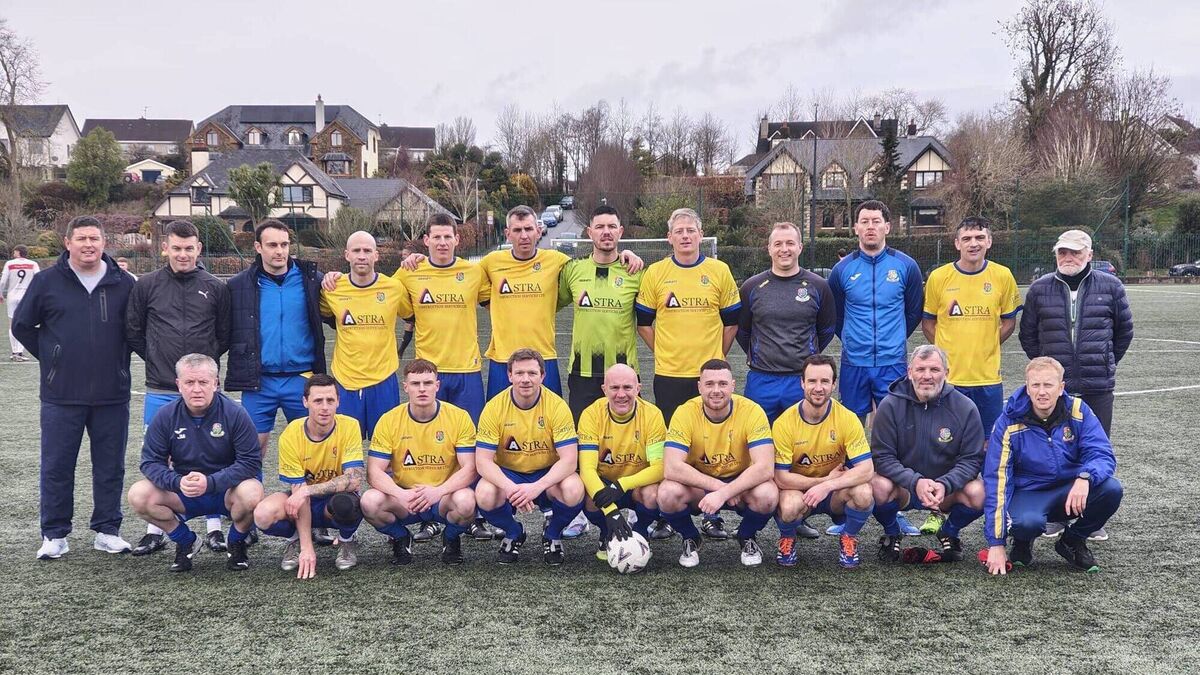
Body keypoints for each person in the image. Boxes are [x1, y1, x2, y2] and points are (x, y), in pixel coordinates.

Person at [13, 217, 135, 559]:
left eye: (94, 238)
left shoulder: (124, 283)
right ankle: (54, 534)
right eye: (81, 238)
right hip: (61, 395)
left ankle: (107, 530)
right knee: (57, 466)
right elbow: (22, 325)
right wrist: (54, 357)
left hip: (112, 393)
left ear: (104, 242)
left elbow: (137, 330)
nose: (88, 244)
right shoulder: (46, 281)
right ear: (68, 243)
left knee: (110, 466)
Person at [126, 219, 231, 555]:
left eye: (189, 248)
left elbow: (224, 334)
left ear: (198, 249)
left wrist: (202, 373)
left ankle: (214, 528)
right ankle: (155, 529)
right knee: (161, 457)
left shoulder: (215, 287)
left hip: (205, 388)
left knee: (213, 453)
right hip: (161, 387)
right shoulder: (146, 285)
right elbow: (134, 332)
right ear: (165, 248)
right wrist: (159, 359)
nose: (183, 254)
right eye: (176, 248)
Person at [635, 208, 741, 541]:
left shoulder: (719, 271)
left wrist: (716, 359)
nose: (685, 236)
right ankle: (668, 514)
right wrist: (665, 352)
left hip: (710, 380)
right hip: (669, 375)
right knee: (672, 446)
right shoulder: (656, 273)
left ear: (700, 235)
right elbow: (643, 323)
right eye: (679, 231)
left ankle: (712, 514)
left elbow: (732, 323)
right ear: (669, 237)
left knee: (711, 445)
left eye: (691, 230)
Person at [1020, 229, 1132, 541]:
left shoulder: (1111, 286)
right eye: (1063, 252)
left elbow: (1124, 332)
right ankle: (1057, 515)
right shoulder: (1039, 289)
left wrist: (1104, 361)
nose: (1068, 258)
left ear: (1089, 255)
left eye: (1075, 252)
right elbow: (1028, 335)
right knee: (1053, 451)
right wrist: (1050, 374)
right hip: (1056, 390)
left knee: (1096, 449)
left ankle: (1092, 518)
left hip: (1097, 386)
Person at [827, 200, 923, 536]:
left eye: (876, 221)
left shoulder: (906, 266)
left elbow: (913, 312)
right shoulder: (842, 271)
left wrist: (892, 341)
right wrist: (854, 341)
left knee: (896, 436)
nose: (870, 226)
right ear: (855, 228)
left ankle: (895, 511)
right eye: (864, 221)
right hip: (854, 362)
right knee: (849, 435)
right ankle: (846, 510)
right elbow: (836, 315)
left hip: (892, 363)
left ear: (887, 227)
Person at [736, 221, 835, 540]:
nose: (784, 249)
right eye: (778, 244)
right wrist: (764, 355)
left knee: (799, 451)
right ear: (769, 249)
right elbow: (743, 331)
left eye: (790, 243)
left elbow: (826, 330)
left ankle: (795, 516)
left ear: (800, 247)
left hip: (799, 383)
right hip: (762, 380)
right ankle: (750, 518)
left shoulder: (818, 286)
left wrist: (804, 361)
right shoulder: (753, 286)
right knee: (754, 450)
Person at [983, 357, 1123, 575]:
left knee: (1111, 490)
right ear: (1027, 388)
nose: (1042, 392)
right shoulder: (1008, 421)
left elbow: (1102, 454)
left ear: (1061, 387)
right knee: (1026, 523)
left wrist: (1085, 477)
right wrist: (996, 543)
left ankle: (1072, 540)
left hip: (1070, 488)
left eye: (1048, 385)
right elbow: (997, 480)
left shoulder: (1078, 410)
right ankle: (1022, 541)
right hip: (1030, 491)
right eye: (1035, 385)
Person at [126, 354, 263, 572]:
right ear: (178, 384)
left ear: (215, 384)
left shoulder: (235, 413)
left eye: (203, 382)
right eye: (189, 382)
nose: (196, 389)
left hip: (226, 492)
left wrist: (211, 482)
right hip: (184, 492)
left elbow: (251, 462)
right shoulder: (165, 415)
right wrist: (177, 482)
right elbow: (150, 462)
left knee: (253, 492)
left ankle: (236, 542)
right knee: (138, 494)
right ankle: (185, 540)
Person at [657, 359, 778, 568]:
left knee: (768, 494)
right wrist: (720, 489)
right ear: (699, 387)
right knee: (667, 493)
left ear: (733, 385)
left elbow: (765, 467)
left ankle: (746, 536)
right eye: (709, 384)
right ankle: (691, 537)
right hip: (700, 484)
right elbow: (671, 467)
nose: (716, 390)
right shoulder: (685, 412)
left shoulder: (752, 410)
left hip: (741, 482)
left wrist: (726, 492)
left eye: (722, 384)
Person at [869, 345, 986, 563]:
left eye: (934, 369)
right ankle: (892, 533)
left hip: (944, 491)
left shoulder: (965, 408)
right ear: (909, 372)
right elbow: (882, 458)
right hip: (903, 488)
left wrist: (944, 484)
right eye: (920, 369)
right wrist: (915, 482)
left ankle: (949, 532)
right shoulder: (890, 405)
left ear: (946, 373)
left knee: (980, 492)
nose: (927, 376)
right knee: (876, 486)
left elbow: (971, 460)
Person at [226, 219, 328, 458]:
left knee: (312, 448)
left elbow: (336, 315)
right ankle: (252, 485)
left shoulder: (312, 280)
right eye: (272, 245)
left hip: (302, 378)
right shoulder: (238, 285)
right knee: (252, 449)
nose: (280, 251)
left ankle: (306, 485)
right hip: (259, 381)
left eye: (284, 244)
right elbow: (225, 330)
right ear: (258, 247)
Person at [362, 359, 479, 565]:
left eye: (428, 383)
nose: (422, 389)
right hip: (406, 498)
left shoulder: (459, 417)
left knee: (467, 501)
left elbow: (470, 468)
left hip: (443, 496)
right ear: (406, 387)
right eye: (416, 384)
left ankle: (451, 537)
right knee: (369, 501)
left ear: (437, 385)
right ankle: (400, 536)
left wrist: (438, 491)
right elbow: (374, 472)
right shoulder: (389, 420)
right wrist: (401, 494)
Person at [474, 348, 584, 565]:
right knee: (484, 493)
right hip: (510, 474)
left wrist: (536, 487)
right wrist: (510, 487)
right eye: (519, 373)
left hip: (547, 473)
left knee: (574, 489)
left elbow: (569, 460)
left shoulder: (557, 406)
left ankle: (552, 534)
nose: (526, 379)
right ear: (509, 375)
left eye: (532, 373)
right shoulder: (494, 407)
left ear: (542, 376)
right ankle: (514, 531)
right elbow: (483, 461)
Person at [253, 374, 364, 578]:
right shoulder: (291, 433)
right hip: (304, 499)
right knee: (263, 514)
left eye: (330, 400)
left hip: (334, 500)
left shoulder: (349, 425)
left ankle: (347, 541)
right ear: (305, 402)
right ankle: (295, 539)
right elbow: (299, 491)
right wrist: (307, 547)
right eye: (318, 401)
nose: (325, 407)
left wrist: (307, 490)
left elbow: (354, 479)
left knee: (347, 504)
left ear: (338, 401)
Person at [922, 216, 1022, 438]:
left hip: (988, 379)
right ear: (957, 243)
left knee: (988, 441)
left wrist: (987, 344)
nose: (973, 243)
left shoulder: (1003, 275)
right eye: (967, 238)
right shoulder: (939, 277)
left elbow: (1009, 321)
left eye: (979, 237)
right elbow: (928, 322)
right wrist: (944, 352)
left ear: (989, 242)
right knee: (946, 439)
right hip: (950, 379)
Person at [771, 355, 875, 569]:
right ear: (802, 383)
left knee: (864, 492)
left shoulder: (847, 418)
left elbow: (866, 470)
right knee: (789, 506)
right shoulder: (784, 423)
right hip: (800, 492)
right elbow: (781, 478)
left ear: (834, 384)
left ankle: (848, 537)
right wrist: (822, 482)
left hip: (835, 493)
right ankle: (788, 539)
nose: (818, 388)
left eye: (825, 381)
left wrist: (828, 485)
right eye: (812, 381)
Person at [319, 230, 411, 440]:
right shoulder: (332, 288)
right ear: (347, 255)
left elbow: (411, 315)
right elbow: (323, 315)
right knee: (345, 447)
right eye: (356, 251)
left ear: (376, 255)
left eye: (367, 251)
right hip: (346, 381)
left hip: (383, 380)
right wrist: (326, 277)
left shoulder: (393, 288)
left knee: (387, 445)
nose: (362, 256)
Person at [558, 205, 644, 422]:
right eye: (600, 227)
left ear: (620, 231)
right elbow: (551, 303)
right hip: (582, 373)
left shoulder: (635, 272)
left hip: (624, 373)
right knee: (583, 434)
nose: (606, 232)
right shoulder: (572, 269)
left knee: (629, 436)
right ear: (590, 232)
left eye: (612, 226)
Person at [577, 363, 666, 559]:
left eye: (627, 387)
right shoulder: (591, 414)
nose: (621, 394)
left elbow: (660, 467)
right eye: (614, 388)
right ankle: (606, 532)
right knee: (589, 495)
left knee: (653, 494)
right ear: (604, 389)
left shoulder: (652, 415)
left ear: (638, 388)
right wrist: (611, 512)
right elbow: (587, 469)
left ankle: (640, 531)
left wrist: (622, 484)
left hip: (637, 484)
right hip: (606, 483)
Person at [2, 243, 39, 361]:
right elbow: (38, 279)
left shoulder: (9, 264)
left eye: (14, 251)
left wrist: (0, 293)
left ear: (18, 252)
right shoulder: (33, 264)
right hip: (27, 297)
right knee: (25, 323)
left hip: (12, 296)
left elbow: (3, 281)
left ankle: (15, 352)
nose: (13, 253)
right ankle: (20, 352)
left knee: (12, 323)